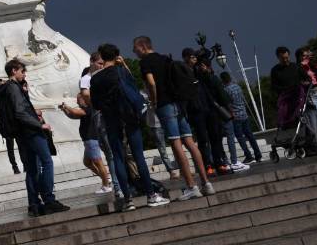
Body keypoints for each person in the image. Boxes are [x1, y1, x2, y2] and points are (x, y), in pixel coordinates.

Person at [89, 44, 170, 212]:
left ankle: (128, 200)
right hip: (129, 117)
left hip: (111, 120)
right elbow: (133, 90)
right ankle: (151, 195)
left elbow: (95, 104)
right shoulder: (121, 71)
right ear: (116, 55)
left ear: (102, 57)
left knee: (118, 158)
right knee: (138, 156)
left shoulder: (95, 79)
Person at [134, 35, 215, 202]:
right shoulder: (165, 58)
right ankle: (206, 183)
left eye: (135, 48)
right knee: (190, 142)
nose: (134, 51)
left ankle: (191, 186)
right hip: (179, 103)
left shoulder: (145, 62)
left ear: (142, 46)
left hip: (164, 105)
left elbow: (151, 83)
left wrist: (154, 101)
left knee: (176, 143)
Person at [0, 60, 69, 217]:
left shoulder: (6, 88)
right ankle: (49, 200)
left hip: (21, 134)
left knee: (32, 169)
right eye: (22, 71)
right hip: (31, 131)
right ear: (14, 71)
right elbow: (20, 112)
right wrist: (39, 125)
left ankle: (34, 204)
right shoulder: (13, 88)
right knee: (47, 162)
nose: (24, 74)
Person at [59, 62, 113, 194]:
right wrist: (65, 110)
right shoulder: (85, 109)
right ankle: (106, 179)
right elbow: (73, 116)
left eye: (80, 99)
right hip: (87, 139)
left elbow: (76, 112)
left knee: (98, 161)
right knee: (87, 162)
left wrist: (67, 106)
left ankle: (106, 184)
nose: (78, 101)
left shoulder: (89, 108)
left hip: (91, 138)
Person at [219, 72, 263, 163]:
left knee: (240, 137)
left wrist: (231, 113)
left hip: (236, 116)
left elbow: (228, 104)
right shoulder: (237, 87)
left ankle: (248, 156)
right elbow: (243, 99)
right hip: (244, 114)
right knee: (250, 135)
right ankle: (258, 155)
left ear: (222, 80)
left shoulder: (226, 90)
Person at [0, 78, 21, 174]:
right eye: (1, 85)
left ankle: (23, 165)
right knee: (11, 148)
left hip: (14, 124)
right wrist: (8, 82)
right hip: (7, 126)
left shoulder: (6, 93)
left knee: (20, 146)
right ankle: (15, 166)